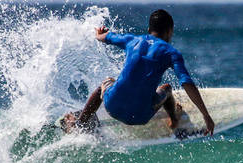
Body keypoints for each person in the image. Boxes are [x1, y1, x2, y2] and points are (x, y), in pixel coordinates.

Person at [63, 9, 215, 136]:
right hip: (141, 116)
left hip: (112, 107)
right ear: (170, 31)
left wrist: (99, 33)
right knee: (167, 89)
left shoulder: (131, 40)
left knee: (106, 83)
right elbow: (186, 83)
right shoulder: (171, 53)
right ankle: (174, 120)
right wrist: (206, 115)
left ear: (149, 30)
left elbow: (102, 37)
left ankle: (80, 124)